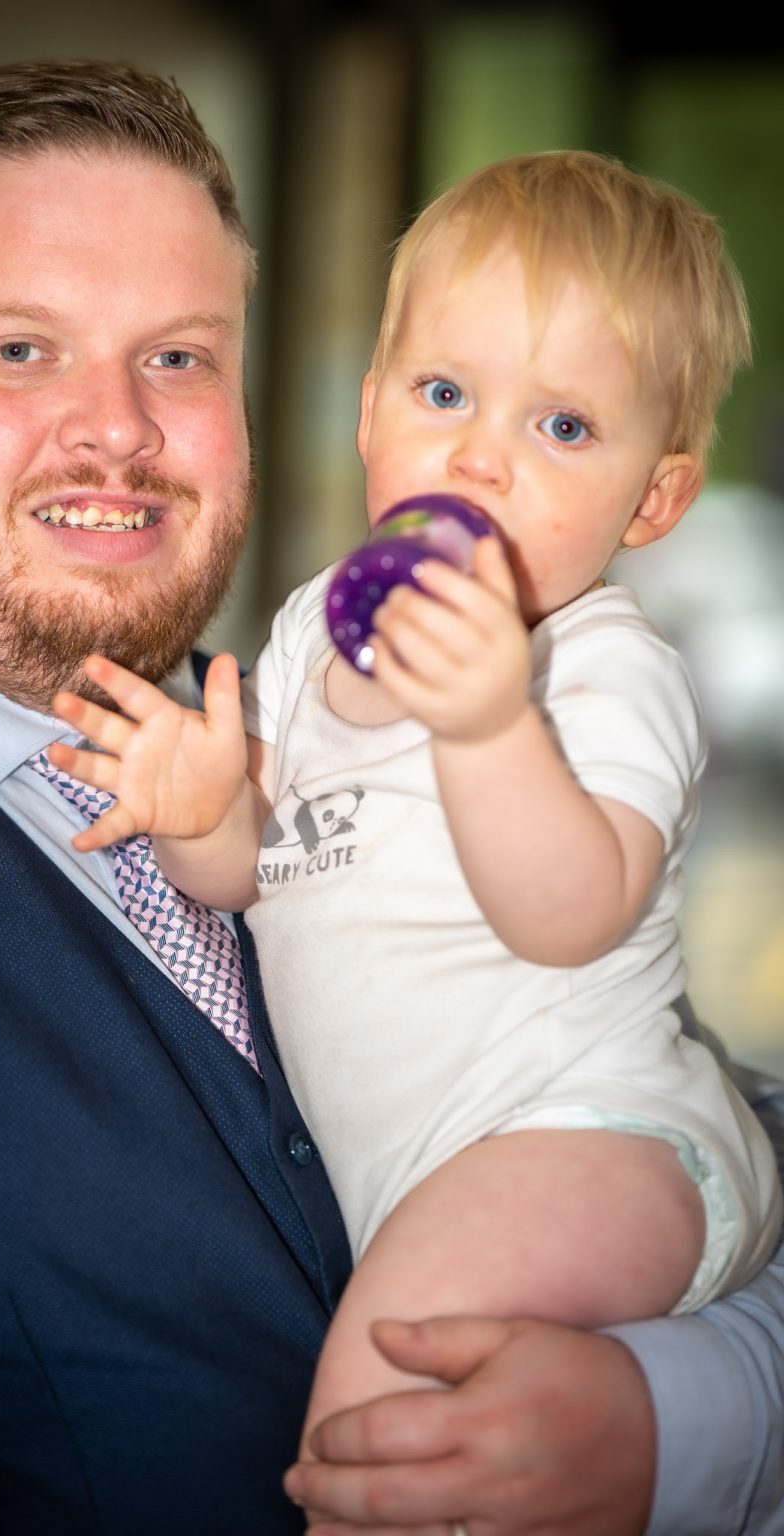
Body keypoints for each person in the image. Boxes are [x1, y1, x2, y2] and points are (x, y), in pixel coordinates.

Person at [0, 62, 779, 1536]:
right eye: (22, 350)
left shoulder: (435, 697)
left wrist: (676, 1419)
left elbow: (705, 1121)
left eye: (177, 357)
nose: (115, 429)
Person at [45, 149, 784, 1477]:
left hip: (591, 1135)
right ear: (370, 413)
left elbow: (570, 916)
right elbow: (253, 870)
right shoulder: (309, 639)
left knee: (373, 1422)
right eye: (445, 394)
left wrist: (490, 725)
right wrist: (200, 806)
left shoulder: (602, 667)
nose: (481, 459)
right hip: (419, 1179)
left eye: (563, 428)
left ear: (655, 499)